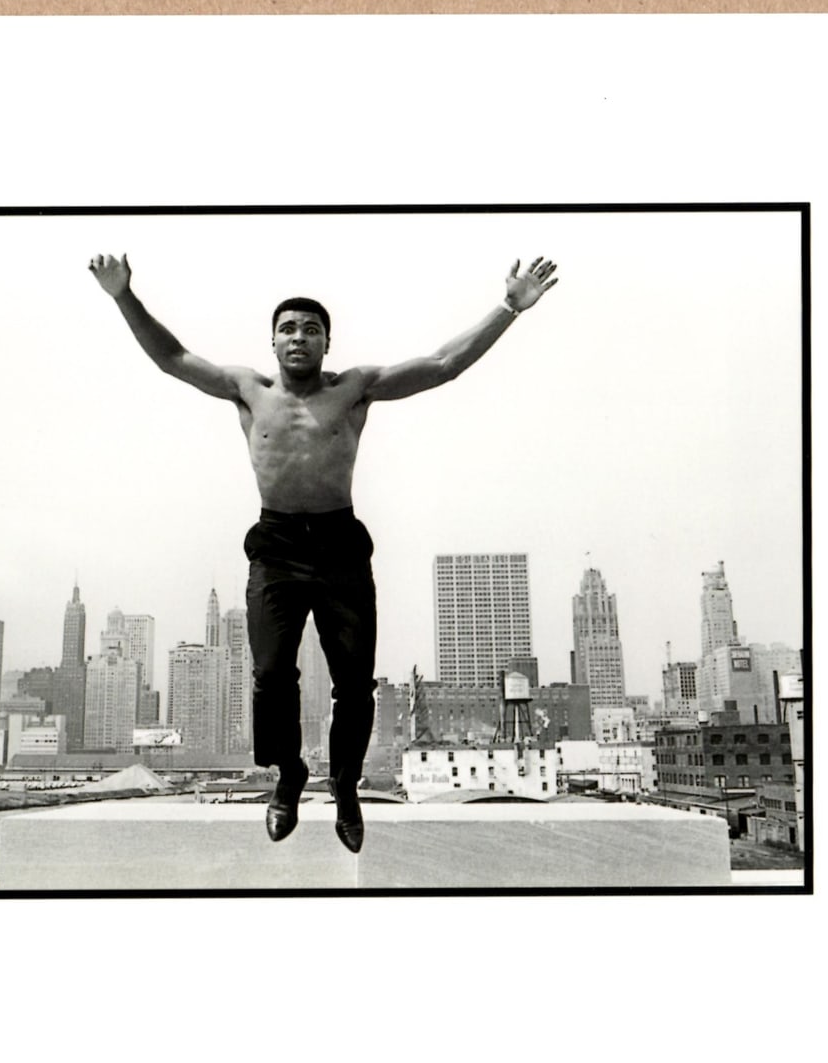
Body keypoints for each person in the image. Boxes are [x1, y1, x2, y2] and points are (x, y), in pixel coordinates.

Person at [89, 250, 558, 853]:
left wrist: (508, 309)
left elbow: (443, 365)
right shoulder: (248, 389)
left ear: (327, 343)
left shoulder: (354, 389)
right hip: (276, 547)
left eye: (311, 329)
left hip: (340, 547)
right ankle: (289, 775)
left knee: (354, 686)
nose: (299, 337)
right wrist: (124, 295)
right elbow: (172, 358)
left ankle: (345, 784)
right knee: (268, 677)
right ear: (273, 342)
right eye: (288, 328)